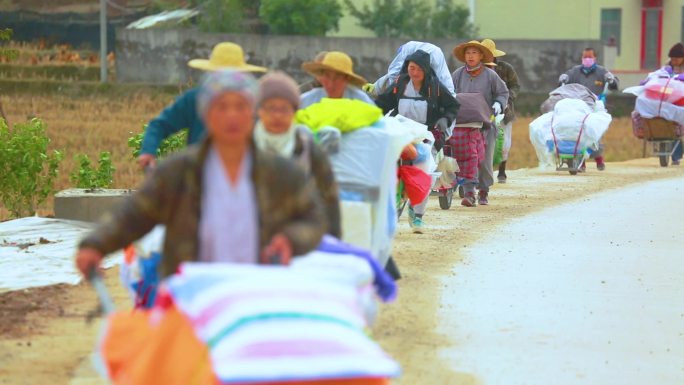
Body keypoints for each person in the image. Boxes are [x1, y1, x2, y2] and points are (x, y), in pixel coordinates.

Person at [75, 70, 326, 279]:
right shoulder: (178, 172)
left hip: (257, 289)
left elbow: (313, 219)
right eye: (221, 106)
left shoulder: (281, 174)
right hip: (191, 289)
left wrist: (290, 239)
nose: (231, 116)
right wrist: (95, 245)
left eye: (240, 106)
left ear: (253, 114)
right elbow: (135, 214)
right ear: (206, 114)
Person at [137, 42, 267, 170]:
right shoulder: (194, 99)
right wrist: (148, 151)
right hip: (198, 174)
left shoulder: (254, 102)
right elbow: (160, 125)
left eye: (239, 107)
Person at [375, 49, 459, 232]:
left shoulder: (435, 87)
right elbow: (382, 104)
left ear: (426, 71)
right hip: (401, 131)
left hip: (427, 134)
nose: (414, 73)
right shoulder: (399, 83)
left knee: (423, 168)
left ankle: (417, 214)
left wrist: (445, 119)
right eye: (412, 68)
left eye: (419, 69)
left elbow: (452, 105)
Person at [254, 71, 342, 237]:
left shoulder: (308, 148)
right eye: (271, 108)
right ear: (259, 111)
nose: (277, 115)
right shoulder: (244, 146)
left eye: (284, 109)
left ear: (295, 112)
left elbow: (329, 201)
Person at [451, 40, 509, 207]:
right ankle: (469, 192)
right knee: (466, 156)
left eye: (474, 53)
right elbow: (448, 92)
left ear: (482, 56)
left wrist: (498, 104)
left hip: (485, 123)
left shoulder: (491, 75)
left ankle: (483, 190)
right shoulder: (458, 74)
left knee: (484, 159)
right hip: (463, 124)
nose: (470, 56)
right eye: (468, 53)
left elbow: (503, 92)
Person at [558, 47, 618, 171]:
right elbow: (566, 77)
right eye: (585, 57)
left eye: (589, 57)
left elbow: (614, 84)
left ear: (594, 58)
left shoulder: (601, 72)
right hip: (578, 106)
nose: (587, 59)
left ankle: (598, 159)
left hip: (595, 106)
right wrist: (563, 77)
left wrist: (611, 79)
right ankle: (581, 161)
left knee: (594, 132)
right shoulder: (575, 71)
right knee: (577, 132)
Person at [482, 39, 520, 184]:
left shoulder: (505, 68)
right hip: (480, 109)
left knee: (503, 141)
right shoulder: (474, 69)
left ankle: (502, 170)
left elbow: (515, 86)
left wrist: (506, 98)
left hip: (504, 111)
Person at [299, 51, 375, 108]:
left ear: (347, 79)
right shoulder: (307, 100)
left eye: (337, 78)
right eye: (327, 76)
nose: (331, 83)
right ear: (321, 77)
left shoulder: (361, 101)